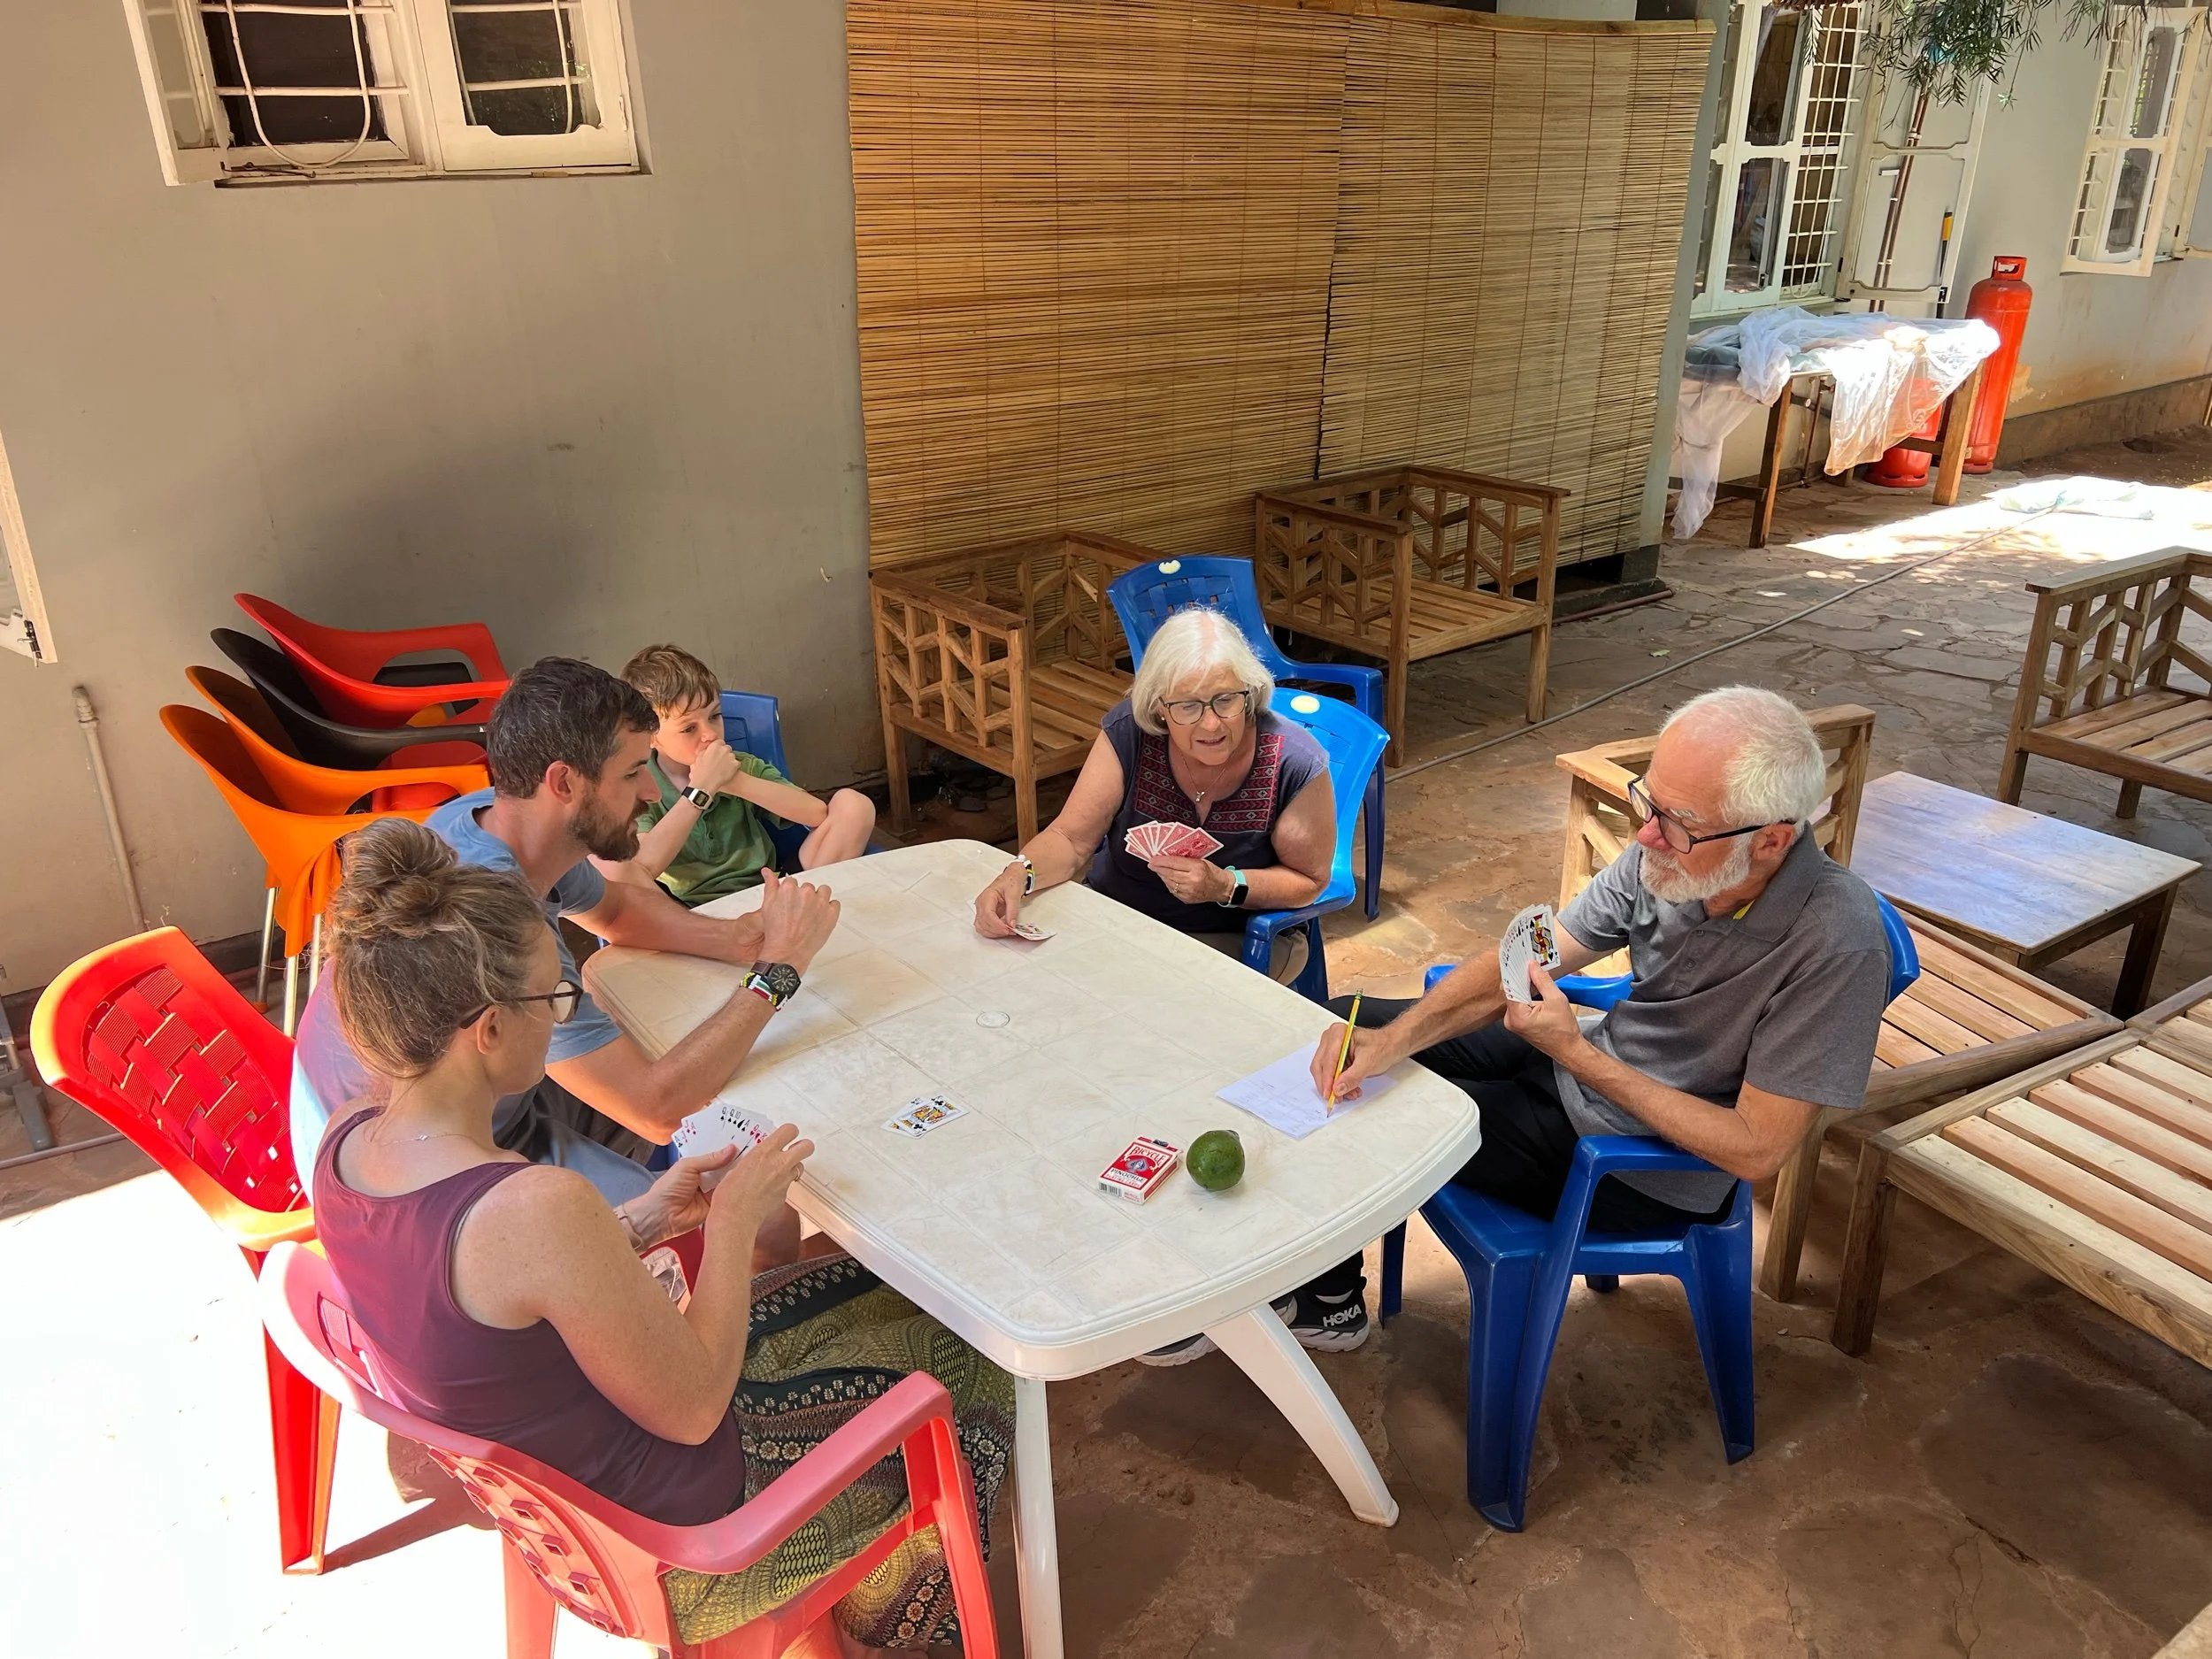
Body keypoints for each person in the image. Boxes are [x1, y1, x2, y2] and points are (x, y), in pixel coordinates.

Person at [312, 818, 1011, 1652]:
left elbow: (498, 1299)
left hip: (564, 1505)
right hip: (683, 1538)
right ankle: (896, 1617)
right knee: (970, 1360)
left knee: (898, 1297)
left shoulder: (348, 1143)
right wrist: (733, 1221)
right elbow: (694, 1407)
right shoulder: (531, 1205)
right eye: (553, 997)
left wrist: (641, 1219)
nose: (563, 1014)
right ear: (488, 1029)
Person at [1293, 685, 1894, 1353]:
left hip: (1636, 1168)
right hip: (1583, 1066)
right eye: (1649, 802)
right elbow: (1530, 954)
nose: (1644, 835)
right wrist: (1392, 1040)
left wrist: (1576, 1054)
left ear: (1771, 841)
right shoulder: (1669, 855)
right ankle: (1317, 1266)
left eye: (1677, 822)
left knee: (1383, 1113)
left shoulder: (1838, 943)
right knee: (1345, 1029)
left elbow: (1756, 1148)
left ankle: (1328, 1304)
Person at [290, 657, 841, 1210]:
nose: (651, 793)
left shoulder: (492, 816)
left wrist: (739, 939)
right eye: (632, 773)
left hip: (492, 1102)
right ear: (564, 783)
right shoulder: (498, 924)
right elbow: (655, 1109)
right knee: (723, 1207)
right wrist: (777, 971)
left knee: (701, 1093)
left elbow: (615, 911)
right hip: (401, 1173)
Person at [971, 607, 1335, 979]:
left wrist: (1225, 885)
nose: (1212, 723)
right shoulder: (1130, 734)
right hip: (1120, 917)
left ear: (1249, 692)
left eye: (1226, 699)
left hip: (1232, 937)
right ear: (1160, 707)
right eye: (1188, 706)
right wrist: (1019, 873)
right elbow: (1071, 839)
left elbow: (1309, 881)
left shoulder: (1293, 761)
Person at [604, 644, 877, 905]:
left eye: (715, 716)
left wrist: (736, 783)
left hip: (770, 890)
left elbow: (816, 814)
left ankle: (793, 913)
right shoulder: (641, 786)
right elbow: (644, 866)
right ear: (649, 736)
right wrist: (702, 789)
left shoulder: (739, 766)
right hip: (692, 911)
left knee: (855, 806)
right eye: (689, 729)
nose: (710, 734)